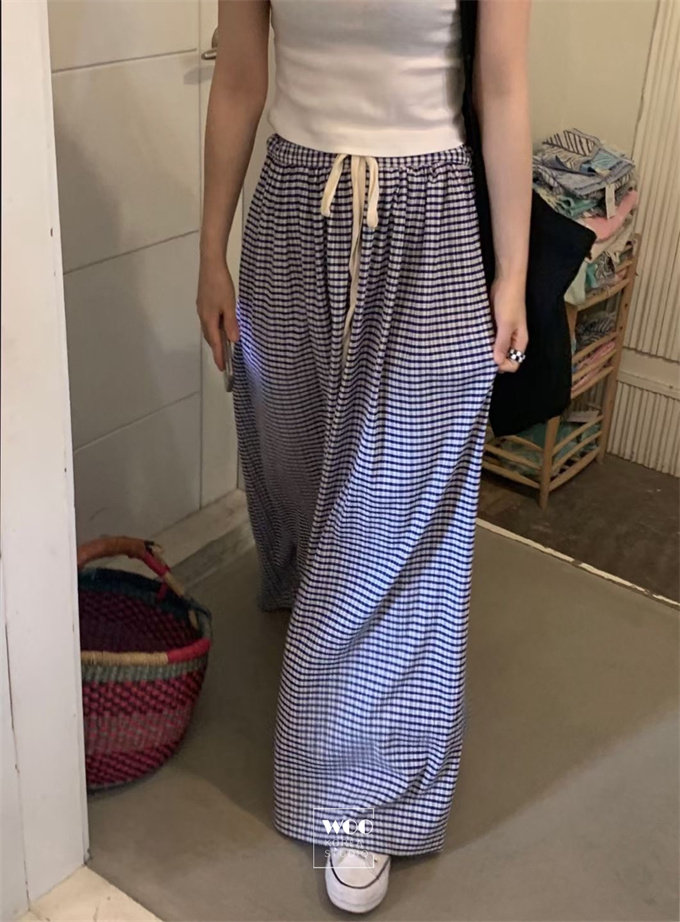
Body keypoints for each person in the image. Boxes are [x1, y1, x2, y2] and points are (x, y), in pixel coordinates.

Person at [197, 0, 532, 913]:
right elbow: (239, 78)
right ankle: (307, 594)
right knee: (295, 456)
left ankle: (366, 791)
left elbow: (502, 87)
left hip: (431, 222)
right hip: (290, 213)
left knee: (395, 514)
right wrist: (210, 251)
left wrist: (511, 273)